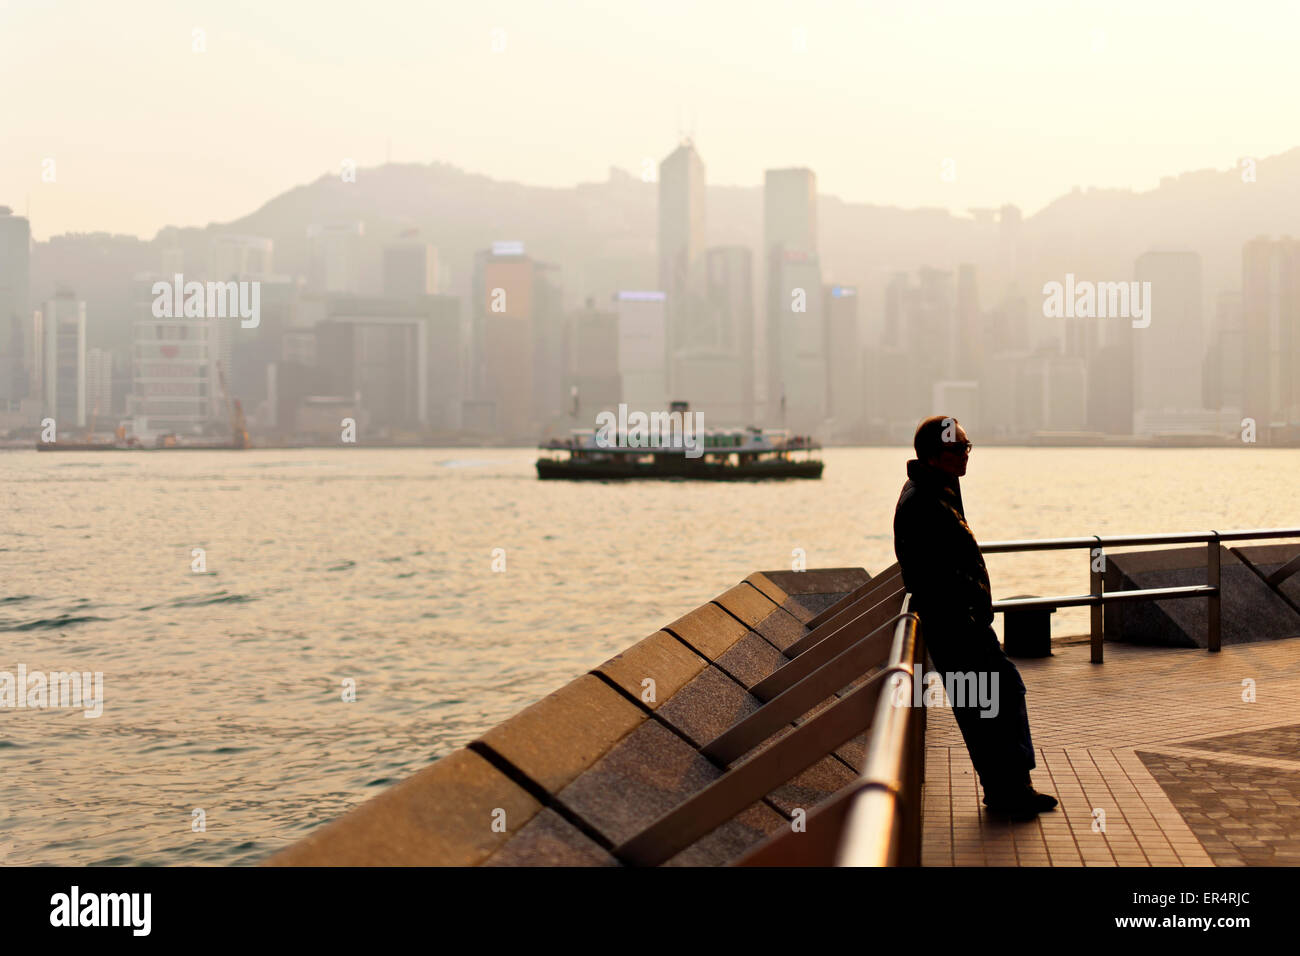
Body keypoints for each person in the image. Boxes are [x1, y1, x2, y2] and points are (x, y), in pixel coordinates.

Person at [892, 415, 1058, 820]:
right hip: (956, 628)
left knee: (996, 700)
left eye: (968, 446)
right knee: (990, 705)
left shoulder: (939, 489)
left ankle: (1012, 788)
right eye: (958, 448)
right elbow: (928, 572)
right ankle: (1007, 793)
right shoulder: (923, 501)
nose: (967, 455)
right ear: (934, 456)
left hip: (964, 624)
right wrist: (966, 616)